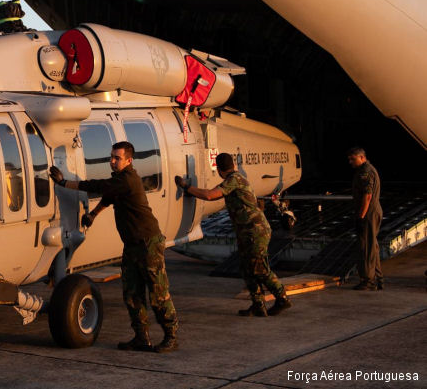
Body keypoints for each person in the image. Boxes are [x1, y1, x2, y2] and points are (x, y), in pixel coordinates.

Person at [50, 141, 178, 353]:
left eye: (117, 158)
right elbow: (108, 198)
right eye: (111, 157)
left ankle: (171, 336)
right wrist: (93, 214)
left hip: (148, 244)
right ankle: (141, 337)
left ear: (129, 160)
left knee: (158, 294)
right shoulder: (119, 180)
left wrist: (64, 184)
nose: (112, 161)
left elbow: (98, 187)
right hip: (132, 245)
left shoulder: (128, 179)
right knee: (131, 293)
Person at [175, 153, 292, 317]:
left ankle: (282, 298)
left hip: (255, 230)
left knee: (259, 268)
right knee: (247, 268)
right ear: (233, 165)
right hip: (247, 231)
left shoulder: (234, 180)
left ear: (219, 169)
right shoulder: (234, 179)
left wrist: (186, 187)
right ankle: (258, 304)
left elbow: (210, 195)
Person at [347, 147, 384, 291]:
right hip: (372, 211)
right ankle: (378, 278)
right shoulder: (366, 170)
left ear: (362, 157)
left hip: (368, 213)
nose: (350, 162)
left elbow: (367, 196)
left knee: (366, 247)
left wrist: (360, 217)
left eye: (353, 159)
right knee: (372, 246)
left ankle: (369, 281)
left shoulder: (365, 172)